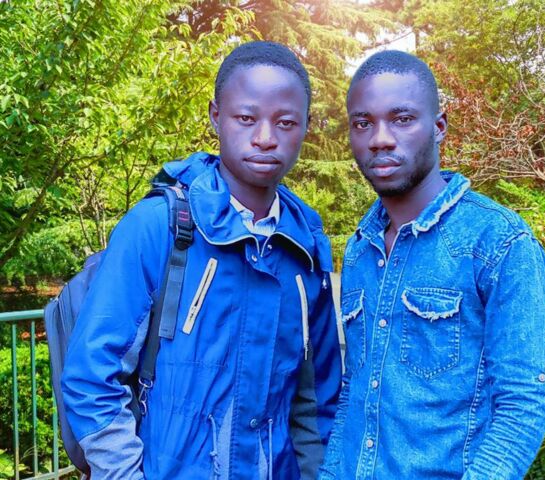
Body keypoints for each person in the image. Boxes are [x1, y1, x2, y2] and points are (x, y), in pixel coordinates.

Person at [61, 41, 342, 480]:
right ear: (216, 116)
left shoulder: (305, 246)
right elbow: (91, 377)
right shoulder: (159, 227)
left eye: (285, 122)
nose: (265, 137)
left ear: (305, 126)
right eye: (246, 118)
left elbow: (317, 402)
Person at [319, 50, 545, 479]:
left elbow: (524, 404)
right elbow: (356, 390)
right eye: (363, 123)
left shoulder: (498, 242)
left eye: (402, 119)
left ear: (439, 127)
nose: (380, 139)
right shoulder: (359, 251)